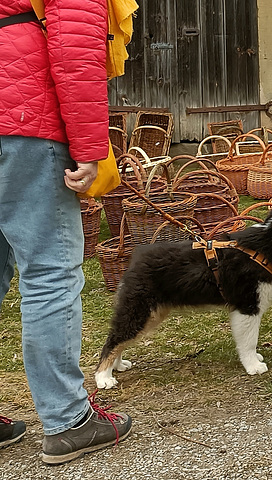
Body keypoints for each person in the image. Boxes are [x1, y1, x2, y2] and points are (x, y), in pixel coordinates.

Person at [0, 0, 132, 464]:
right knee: (50, 270)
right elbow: (76, 49)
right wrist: (90, 147)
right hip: (22, 120)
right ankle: (67, 419)